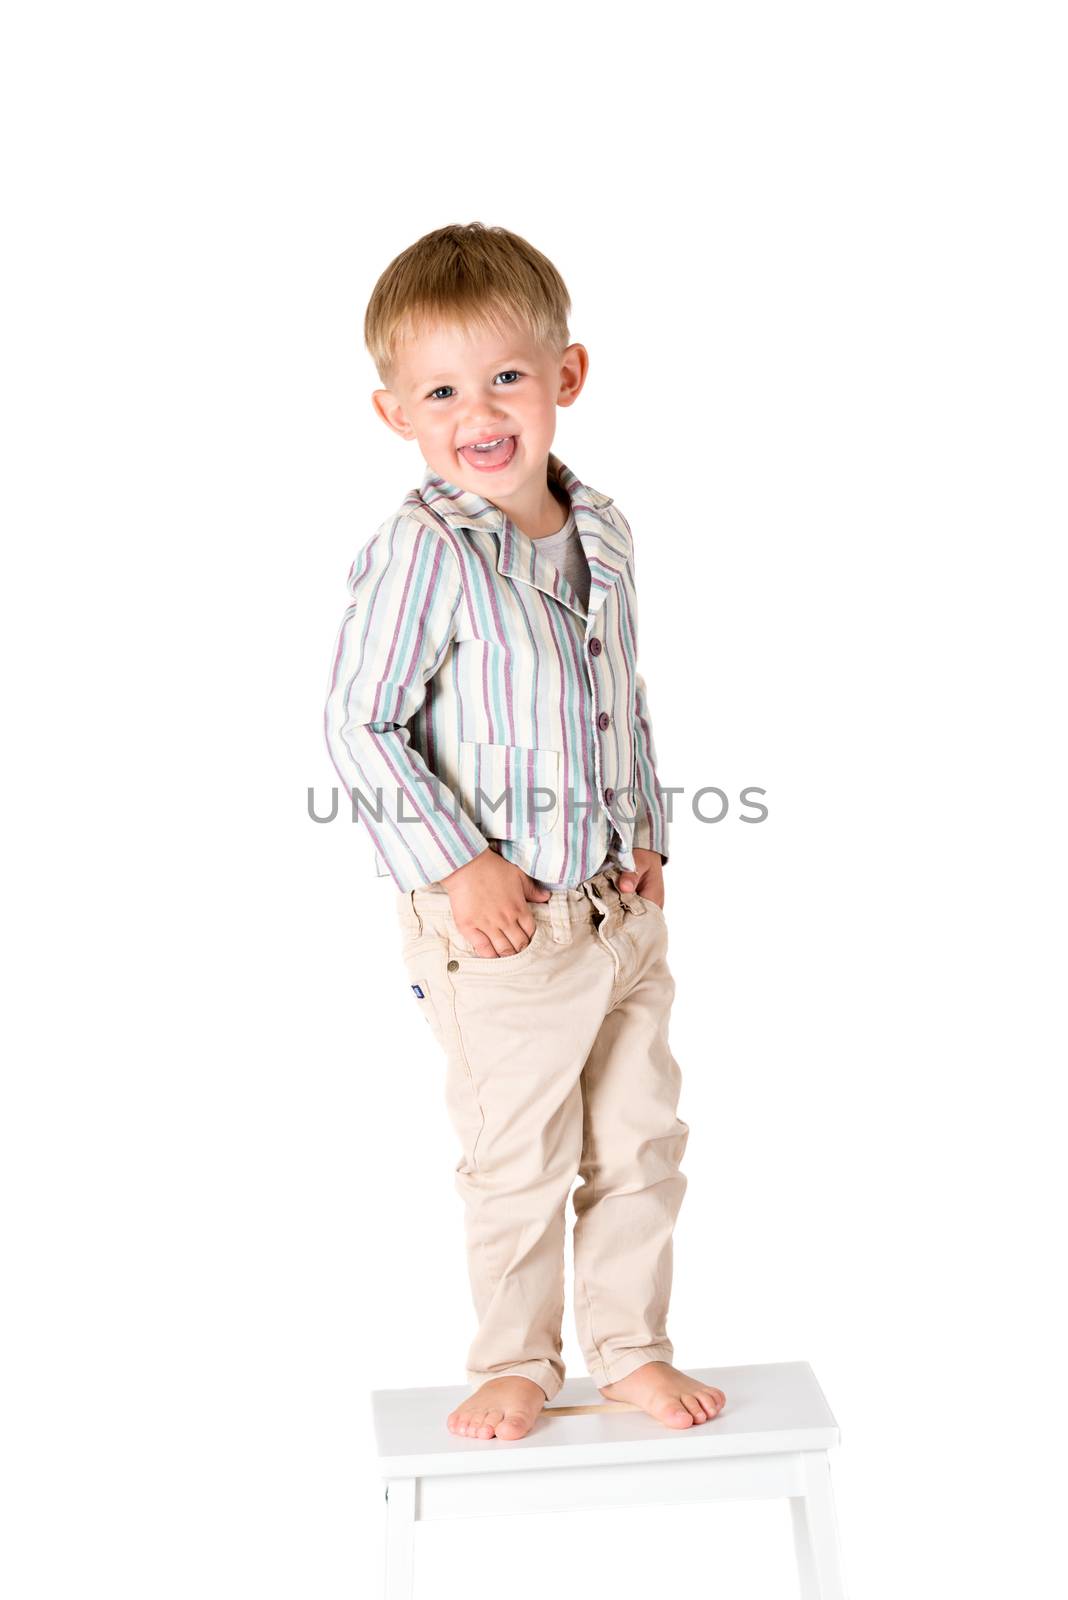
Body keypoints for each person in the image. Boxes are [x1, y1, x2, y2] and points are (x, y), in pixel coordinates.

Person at [324, 221, 725, 1441]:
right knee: (520, 1157)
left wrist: (647, 831)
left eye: (505, 375)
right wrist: (464, 863)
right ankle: (514, 1359)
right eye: (442, 389)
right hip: (501, 931)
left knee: (640, 1142)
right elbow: (361, 724)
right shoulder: (426, 549)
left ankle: (631, 1348)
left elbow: (623, 695)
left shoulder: (603, 531)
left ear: (566, 377)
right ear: (397, 412)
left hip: (615, 911)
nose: (479, 410)